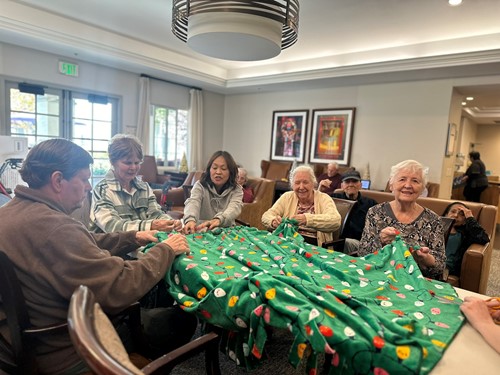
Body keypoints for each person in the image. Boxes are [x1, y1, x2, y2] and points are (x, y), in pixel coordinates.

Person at [0, 139, 197, 374]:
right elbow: (120, 286)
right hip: (67, 348)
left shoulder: (10, 213)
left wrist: (134, 237)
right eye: (83, 180)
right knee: (182, 320)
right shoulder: (56, 229)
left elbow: (83, 241)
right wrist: (166, 250)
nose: (87, 187)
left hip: (16, 344)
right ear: (57, 180)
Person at [358, 160, 446, 280]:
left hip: (416, 282)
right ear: (391, 185)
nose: (408, 185)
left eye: (415, 181)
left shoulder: (433, 220)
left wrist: (425, 259)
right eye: (402, 179)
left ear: (422, 189)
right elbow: (363, 253)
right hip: (378, 277)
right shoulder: (375, 213)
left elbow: (440, 266)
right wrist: (381, 241)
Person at [90, 134, 182, 233]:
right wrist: (151, 225)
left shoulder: (144, 187)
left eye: (137, 163)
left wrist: (170, 222)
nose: (133, 167)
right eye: (128, 163)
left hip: (141, 244)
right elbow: (112, 226)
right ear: (113, 162)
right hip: (112, 247)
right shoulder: (102, 190)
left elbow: (156, 213)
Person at [261, 165, 341, 247]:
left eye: (305, 182)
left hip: (315, 246)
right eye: (297, 183)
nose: (301, 187)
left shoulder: (324, 198)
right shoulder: (287, 197)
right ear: (292, 186)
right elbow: (266, 216)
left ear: (313, 184)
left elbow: (335, 221)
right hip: (288, 244)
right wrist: (273, 221)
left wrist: (307, 219)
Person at [182, 150, 243, 234]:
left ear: (230, 172)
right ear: (209, 170)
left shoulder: (237, 189)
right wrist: (190, 220)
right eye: (214, 168)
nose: (218, 172)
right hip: (201, 230)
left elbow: (235, 207)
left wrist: (219, 219)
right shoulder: (200, 185)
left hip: (226, 231)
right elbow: (193, 202)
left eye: (223, 168)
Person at [332, 170, 377, 253]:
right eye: (347, 182)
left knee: (346, 242)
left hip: (358, 243)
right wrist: (320, 188)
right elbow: (316, 203)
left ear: (360, 185)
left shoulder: (370, 203)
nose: (351, 184)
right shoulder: (334, 198)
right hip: (334, 240)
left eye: (354, 181)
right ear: (342, 185)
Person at [442, 202, 489, 276]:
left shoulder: (464, 234)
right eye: (453, 211)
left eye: (462, 214)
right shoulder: (435, 227)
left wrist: (470, 217)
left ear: (464, 221)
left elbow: (483, 238)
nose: (456, 215)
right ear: (446, 214)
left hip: (446, 268)